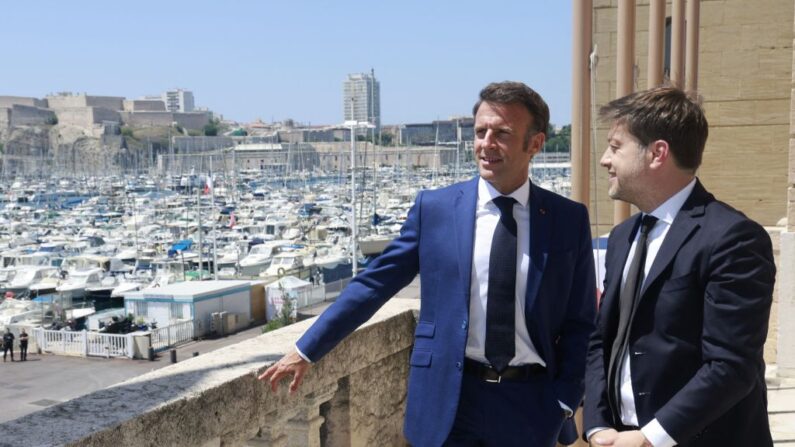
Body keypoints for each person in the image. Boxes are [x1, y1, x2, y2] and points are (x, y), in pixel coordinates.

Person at [259, 81, 596, 447]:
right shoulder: (435, 210)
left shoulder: (567, 220)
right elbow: (374, 284)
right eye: (481, 132)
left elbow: (582, 324)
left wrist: (563, 401)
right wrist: (307, 349)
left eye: (502, 133)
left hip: (531, 407)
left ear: (535, 143)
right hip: (448, 405)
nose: (486, 144)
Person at [584, 86, 776, 447]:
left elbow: (731, 366)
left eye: (615, 146)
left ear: (657, 153)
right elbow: (602, 340)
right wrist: (598, 426)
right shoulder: (623, 237)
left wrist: (650, 438)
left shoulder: (734, 238)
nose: (605, 160)